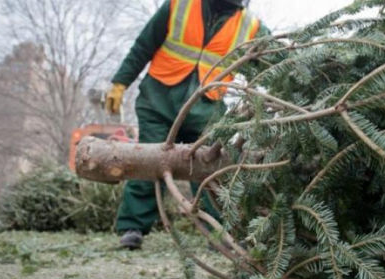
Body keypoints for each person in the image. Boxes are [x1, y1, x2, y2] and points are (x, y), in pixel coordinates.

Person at [105, 0, 268, 249]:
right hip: (158, 101)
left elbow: (276, 59)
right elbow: (143, 45)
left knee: (207, 168)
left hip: (206, 109)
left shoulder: (250, 26)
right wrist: (120, 82)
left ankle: (218, 232)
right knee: (149, 160)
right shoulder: (179, 6)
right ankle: (132, 227)